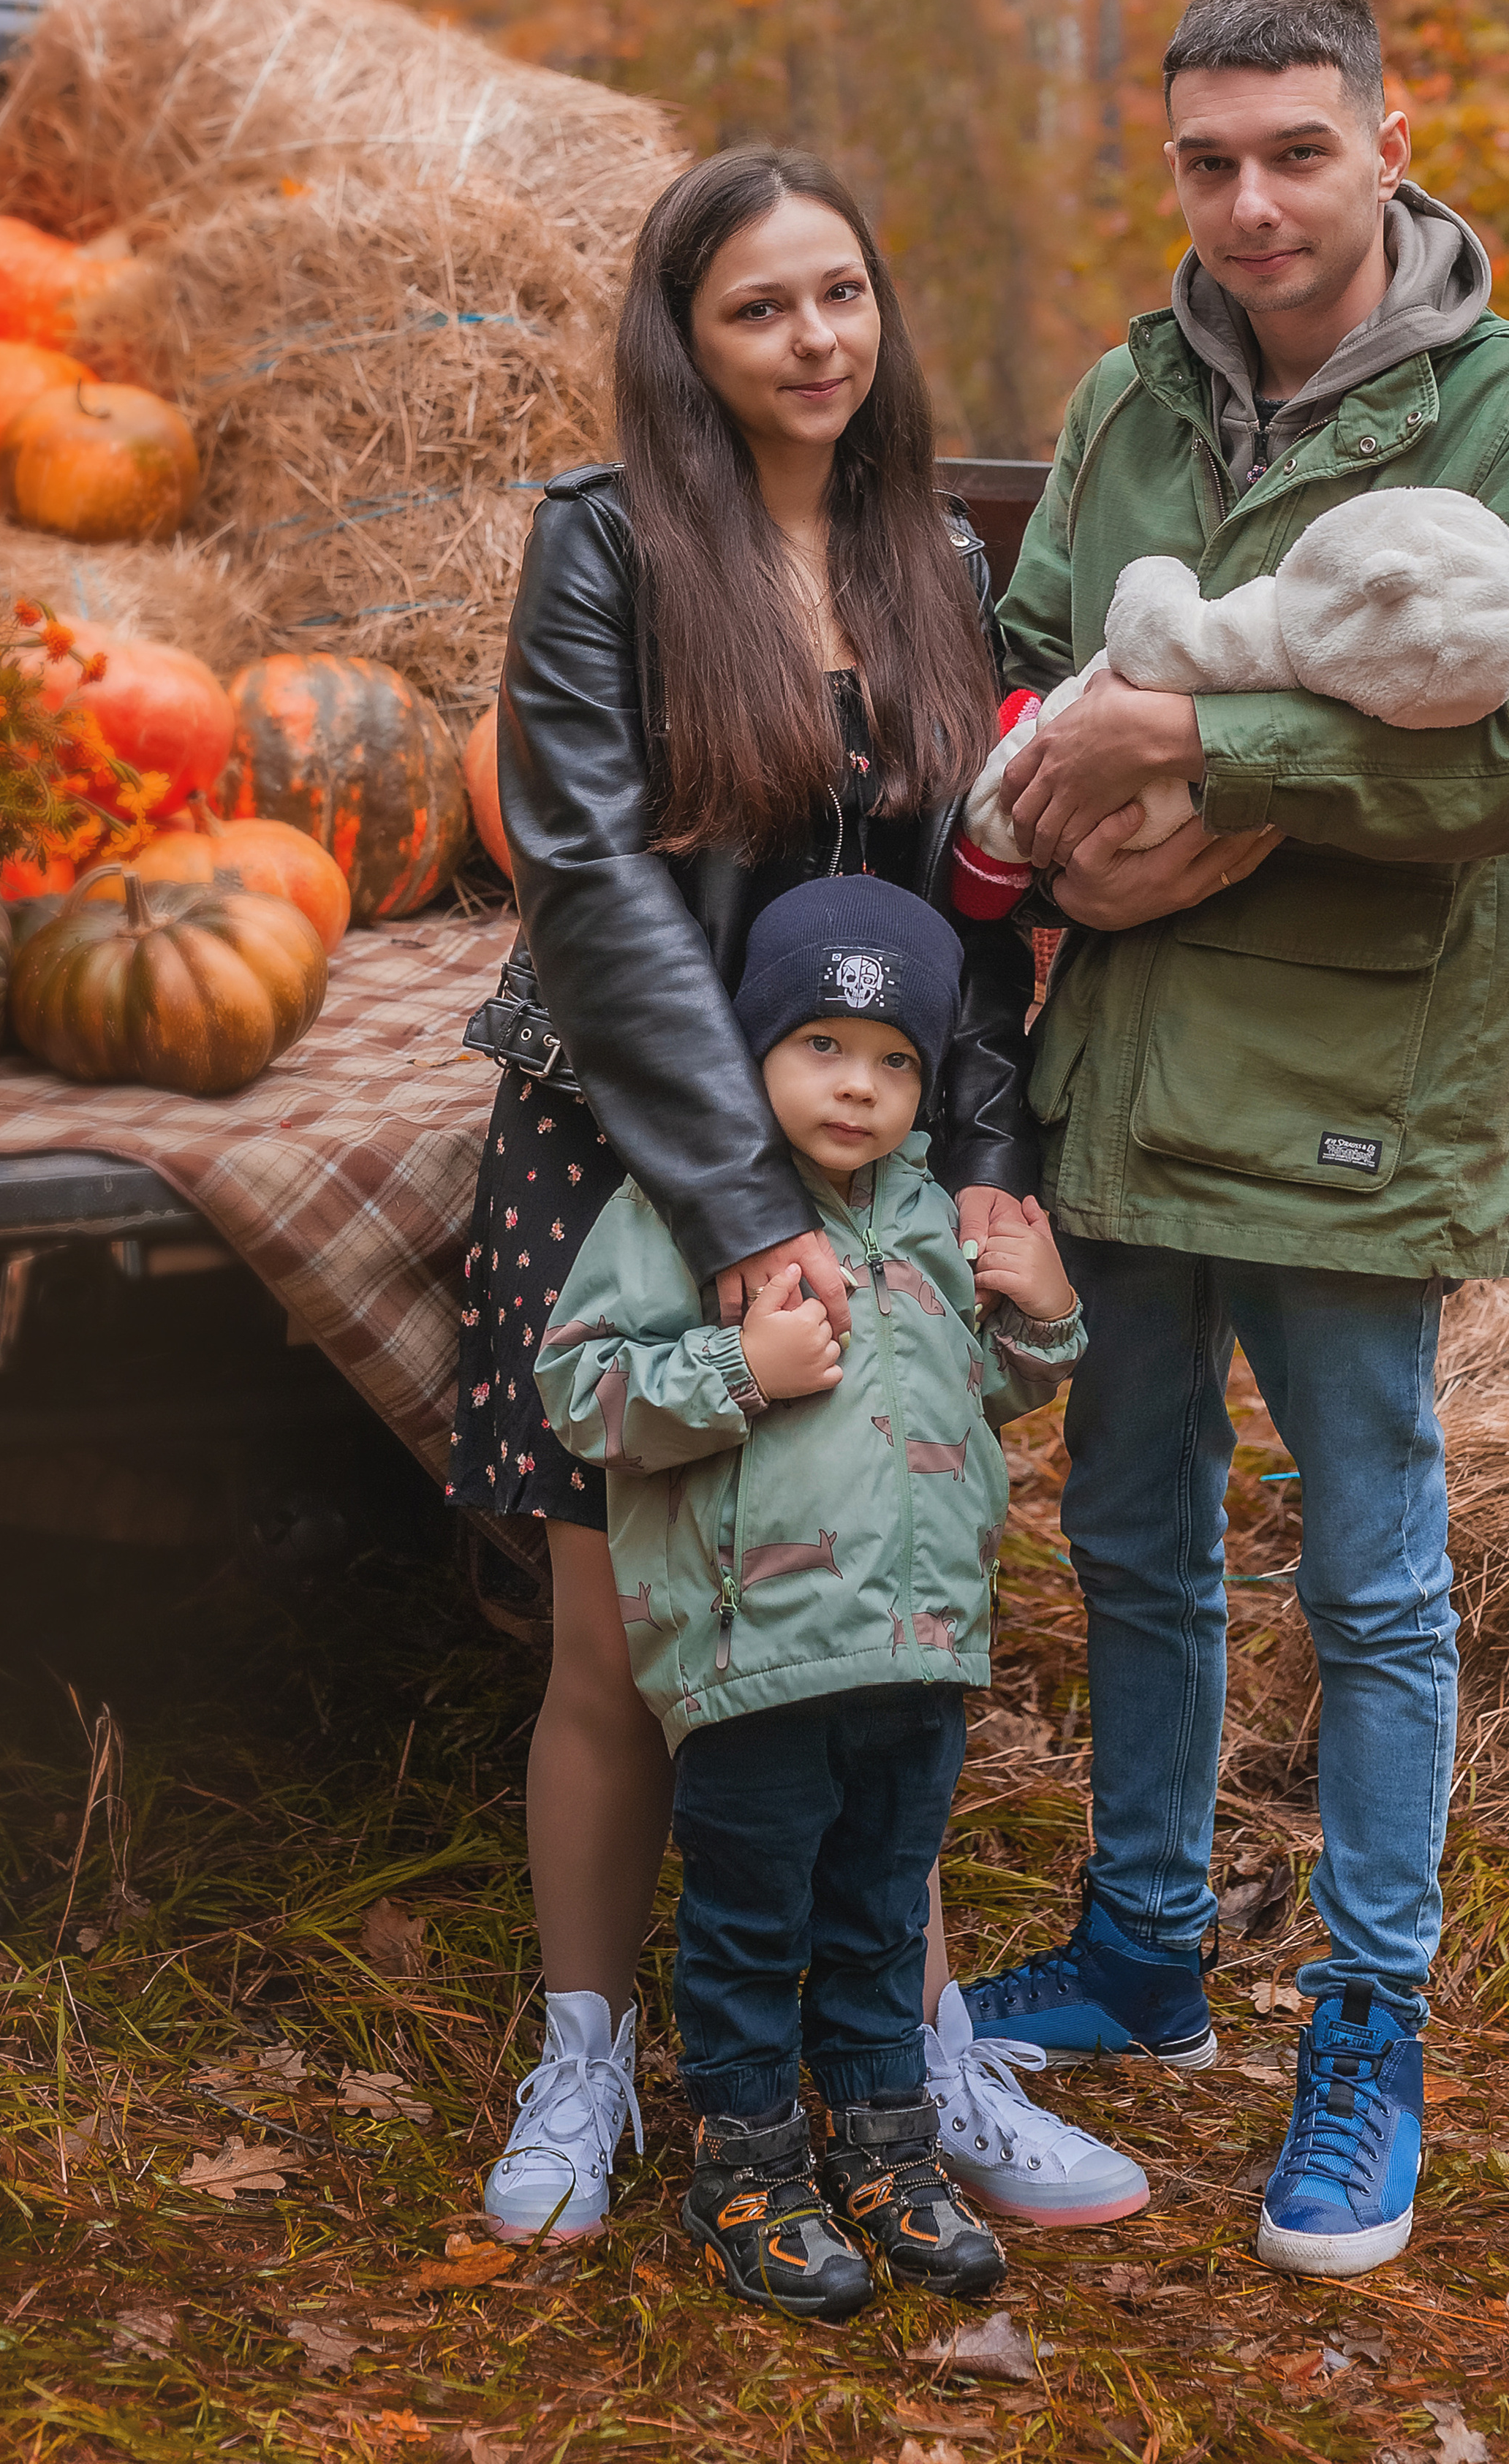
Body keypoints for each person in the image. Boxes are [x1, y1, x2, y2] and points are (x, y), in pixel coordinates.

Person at [969, 0, 1509, 2278]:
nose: (1248, 203)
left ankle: (1369, 2025)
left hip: (1363, 1078)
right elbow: (1046, 663)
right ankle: (1145, 1948)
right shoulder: (1128, 392)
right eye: (1207, 159)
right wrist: (1048, 816)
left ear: (1385, 139)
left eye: (1296, 151)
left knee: (1370, 1584)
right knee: (1134, 1540)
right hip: (1127, 1060)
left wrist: (1202, 756)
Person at [449, 144, 1145, 2243]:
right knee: (620, 1648)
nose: (814, 339)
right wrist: (744, 1206)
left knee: (871, 1633)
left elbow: (966, 918)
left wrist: (993, 1177)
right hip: (626, 1149)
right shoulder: (605, 548)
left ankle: (910, 2060)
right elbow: (589, 890)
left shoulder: (933, 551)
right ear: (689, 338)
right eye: (760, 307)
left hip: (871, 1168)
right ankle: (588, 2069)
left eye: (840, 293)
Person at [534, 880, 1089, 2318]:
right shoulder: (677, 1212)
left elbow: (983, 1394)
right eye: (821, 1045)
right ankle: (745, 2162)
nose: (859, 1083)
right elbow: (580, 1389)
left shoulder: (922, 1214)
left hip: (916, 1652)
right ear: (750, 1055)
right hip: (758, 1650)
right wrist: (738, 1371)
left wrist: (1041, 1309)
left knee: (877, 1913)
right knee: (748, 1920)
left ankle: (882, 2147)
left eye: (894, 1058)